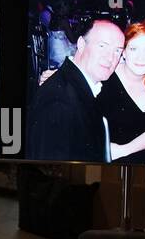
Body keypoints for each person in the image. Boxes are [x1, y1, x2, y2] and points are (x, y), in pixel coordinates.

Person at [26, 17, 125, 163]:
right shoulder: (60, 103)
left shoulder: (84, 83)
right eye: (102, 46)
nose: (111, 58)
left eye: (117, 51)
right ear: (81, 44)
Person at [96, 21, 145, 163]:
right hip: (106, 156)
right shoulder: (104, 76)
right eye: (133, 49)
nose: (140, 57)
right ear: (124, 52)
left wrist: (124, 150)